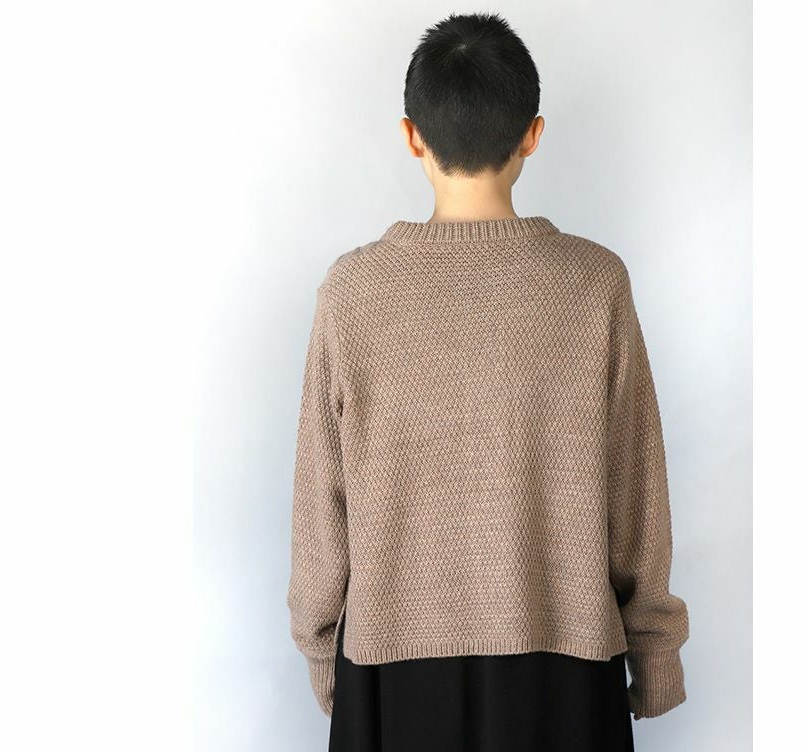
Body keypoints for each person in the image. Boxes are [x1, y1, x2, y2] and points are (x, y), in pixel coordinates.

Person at [287, 11, 689, 751]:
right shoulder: (593, 285)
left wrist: (321, 652)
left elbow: (322, 503)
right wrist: (656, 652)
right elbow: (637, 489)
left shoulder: (352, 293)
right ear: (532, 135)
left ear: (412, 136)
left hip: (392, 668)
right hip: (563, 664)